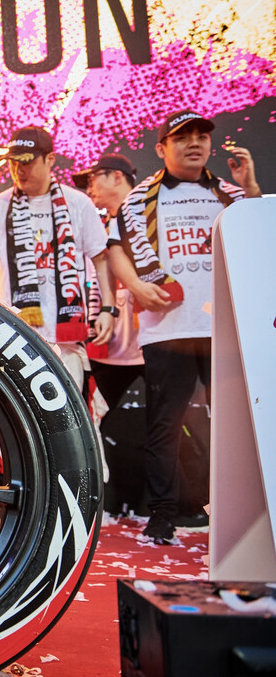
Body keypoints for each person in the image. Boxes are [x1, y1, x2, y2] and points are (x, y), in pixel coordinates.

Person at [107, 109, 260, 545]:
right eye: (182, 137)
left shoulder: (232, 194)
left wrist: (250, 186)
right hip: (167, 328)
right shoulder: (139, 198)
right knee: (165, 425)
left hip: (224, 328)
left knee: (239, 423)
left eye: (201, 136)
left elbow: (258, 238)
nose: (194, 143)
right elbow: (115, 249)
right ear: (161, 148)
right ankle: (162, 517)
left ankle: (245, 511)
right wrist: (137, 285)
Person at [0, 126, 117, 390]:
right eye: (13, 163)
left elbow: (102, 260)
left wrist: (108, 309)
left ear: (50, 159)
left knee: (67, 412)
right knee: (18, 410)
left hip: (66, 339)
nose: (19, 170)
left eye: (26, 162)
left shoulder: (78, 203)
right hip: (13, 336)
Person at [72, 154, 146, 514]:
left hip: (152, 341)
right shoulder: (97, 227)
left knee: (171, 426)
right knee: (86, 419)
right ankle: (87, 501)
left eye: (93, 180)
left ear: (117, 177)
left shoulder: (147, 213)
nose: (89, 189)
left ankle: (188, 506)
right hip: (106, 347)